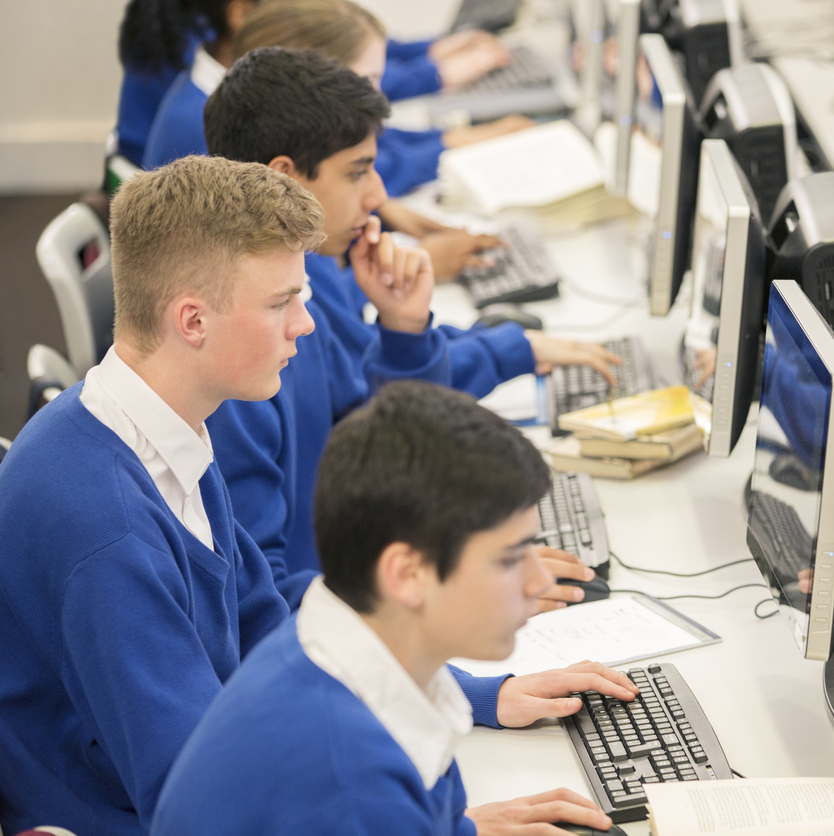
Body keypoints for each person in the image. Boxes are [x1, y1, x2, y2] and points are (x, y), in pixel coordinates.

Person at [202, 47, 609, 612]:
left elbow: (377, 447)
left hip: (351, 592)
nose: (378, 197)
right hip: (329, 631)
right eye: (359, 171)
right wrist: (444, 598)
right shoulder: (239, 359)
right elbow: (265, 607)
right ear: (285, 180)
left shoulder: (300, 288)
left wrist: (403, 327)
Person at [152, 381, 632, 836]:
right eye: (510, 558)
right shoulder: (351, 776)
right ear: (406, 575)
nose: (541, 580)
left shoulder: (343, 647)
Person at [0, 156, 317, 835]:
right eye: (280, 303)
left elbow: (267, 635)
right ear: (192, 321)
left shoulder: (163, 426)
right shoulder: (106, 530)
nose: (304, 325)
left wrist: (452, 694)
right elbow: (200, 805)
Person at [141, 0, 531, 198]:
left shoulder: (232, 92)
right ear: (243, 13)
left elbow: (351, 148)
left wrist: (449, 141)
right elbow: (338, 174)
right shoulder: (210, 124)